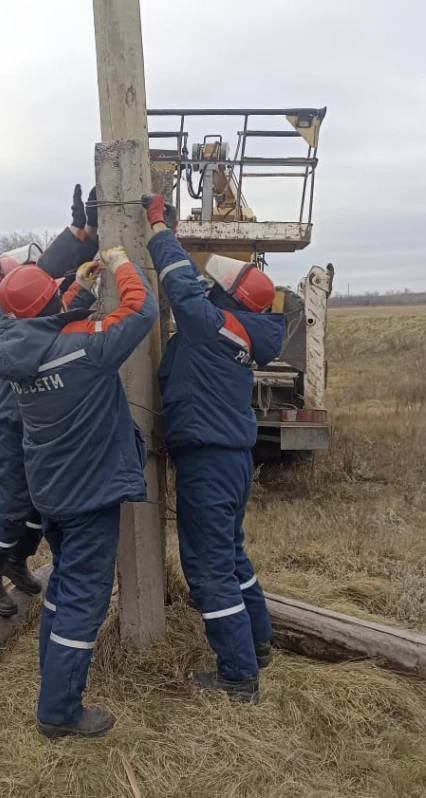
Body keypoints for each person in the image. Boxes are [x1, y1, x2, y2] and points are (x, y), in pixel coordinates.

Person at [0, 245, 158, 738]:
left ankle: (52, 673)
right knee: (84, 599)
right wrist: (123, 263)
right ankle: (60, 712)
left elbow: (42, 322)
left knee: (64, 587)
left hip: (54, 492)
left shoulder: (11, 352)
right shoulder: (85, 347)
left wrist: (79, 286)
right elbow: (140, 310)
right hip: (90, 493)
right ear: (47, 305)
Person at [143, 193, 286, 703]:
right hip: (230, 459)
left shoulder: (213, 326)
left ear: (229, 298)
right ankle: (259, 642)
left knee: (207, 570)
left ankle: (238, 676)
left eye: (216, 286)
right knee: (230, 555)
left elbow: (180, 284)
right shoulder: (239, 332)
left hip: (208, 460)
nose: (208, 287)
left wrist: (160, 228)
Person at [0, 186, 100, 616]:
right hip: (17, 421)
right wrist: (81, 235)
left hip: (32, 419)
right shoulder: (9, 317)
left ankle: (14, 559)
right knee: (14, 497)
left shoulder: (15, 311)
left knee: (36, 501)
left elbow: (54, 287)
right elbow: (48, 280)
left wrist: (84, 233)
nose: (36, 277)